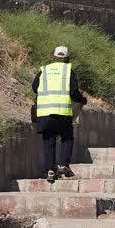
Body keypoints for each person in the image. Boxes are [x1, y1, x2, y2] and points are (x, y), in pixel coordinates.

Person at [31, 45, 86, 182]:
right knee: (67, 138)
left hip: (45, 113)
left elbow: (34, 87)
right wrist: (82, 99)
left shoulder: (44, 70)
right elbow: (73, 92)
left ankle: (50, 170)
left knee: (48, 140)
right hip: (62, 112)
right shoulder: (68, 71)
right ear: (67, 58)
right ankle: (63, 165)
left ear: (53, 56)